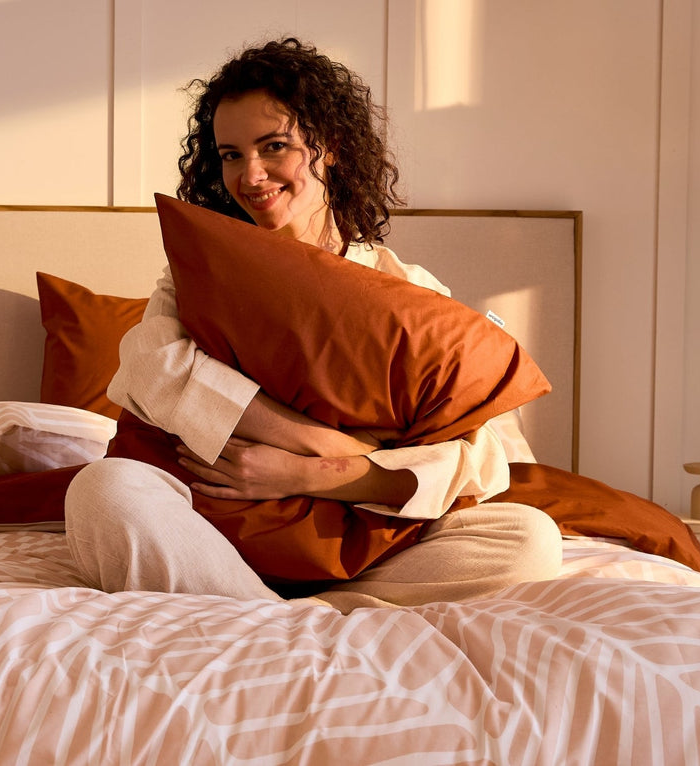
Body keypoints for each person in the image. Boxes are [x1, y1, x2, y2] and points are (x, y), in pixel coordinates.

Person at [65, 37, 561, 611]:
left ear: (331, 148)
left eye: (274, 146)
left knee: (528, 538)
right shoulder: (202, 272)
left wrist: (312, 474)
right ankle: (300, 616)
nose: (250, 175)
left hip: (364, 543)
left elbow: (483, 461)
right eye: (230, 154)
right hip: (216, 532)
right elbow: (152, 370)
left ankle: (261, 616)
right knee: (102, 491)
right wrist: (322, 440)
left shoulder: (406, 287)